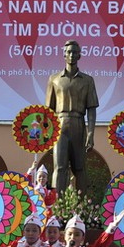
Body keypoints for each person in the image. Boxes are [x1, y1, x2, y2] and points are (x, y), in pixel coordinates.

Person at [45, 39, 99, 195]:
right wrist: (48, 136)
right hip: (59, 124)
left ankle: (82, 208)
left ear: (79, 55)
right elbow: (48, 112)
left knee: (80, 167)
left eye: (75, 52)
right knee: (59, 166)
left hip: (78, 123)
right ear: (64, 54)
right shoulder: (54, 79)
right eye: (69, 52)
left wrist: (90, 133)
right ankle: (58, 205)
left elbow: (92, 109)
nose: (72, 55)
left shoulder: (88, 80)